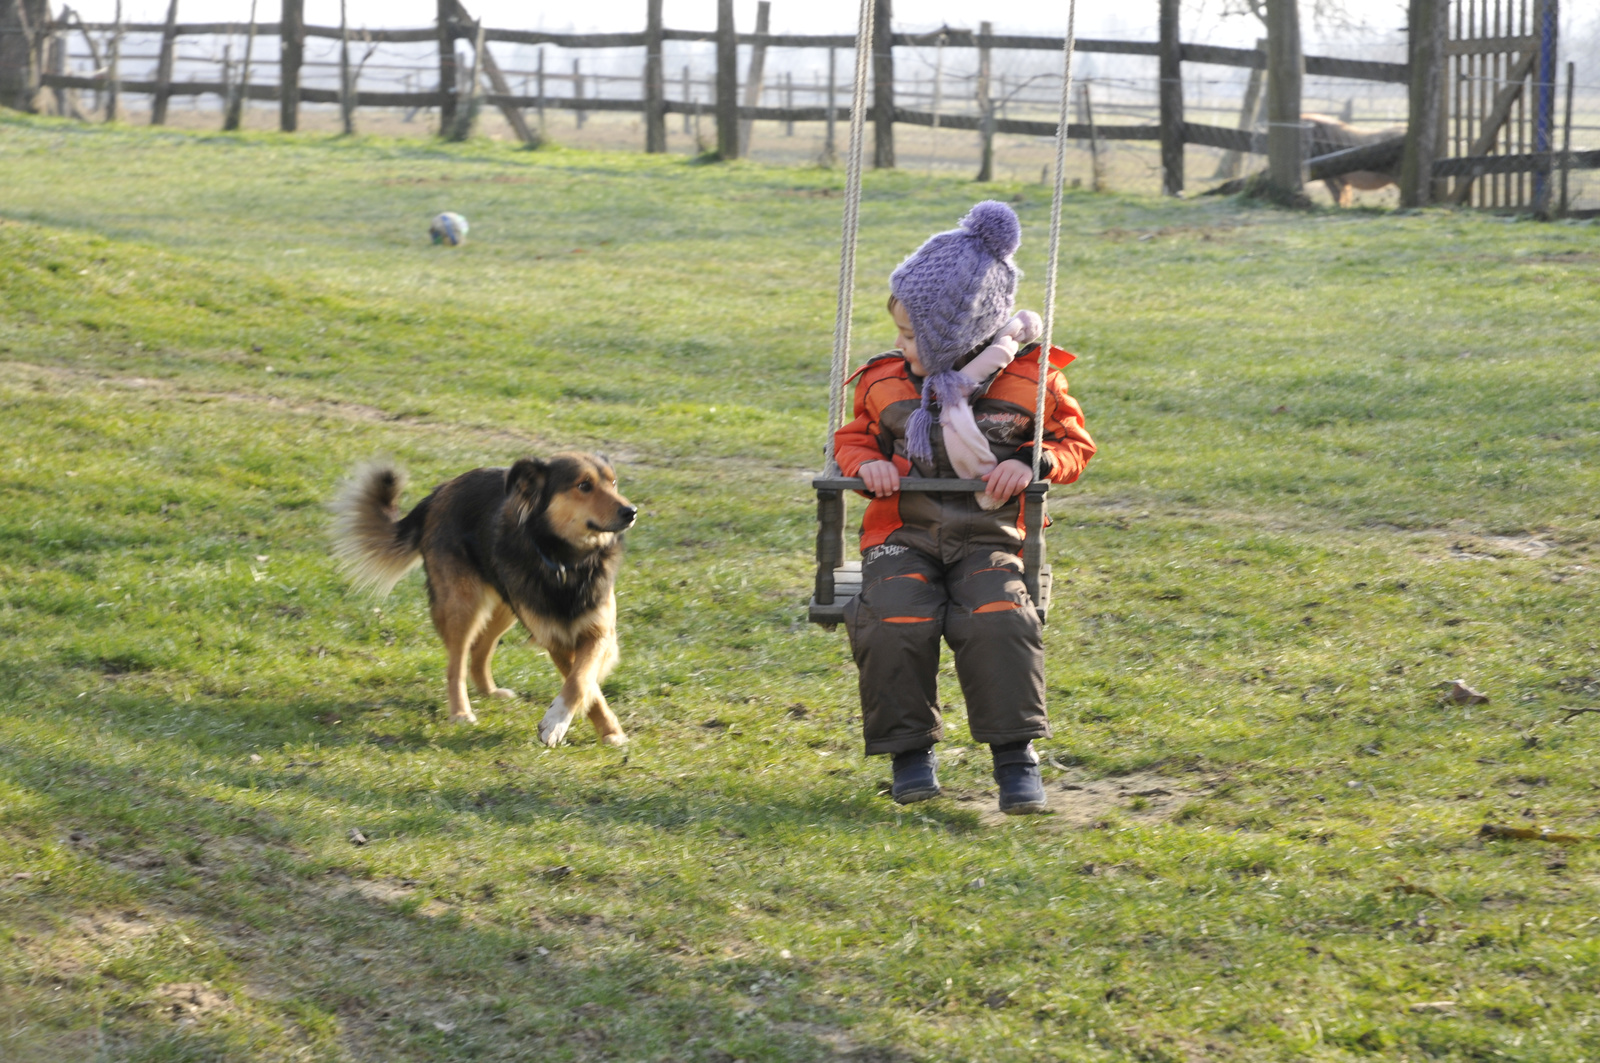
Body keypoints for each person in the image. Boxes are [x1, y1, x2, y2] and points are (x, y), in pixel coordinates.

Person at [832, 201, 1095, 814]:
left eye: (910, 334)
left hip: (993, 535)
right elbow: (852, 439)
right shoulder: (884, 381)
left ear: (957, 331)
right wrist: (863, 465)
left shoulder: (1031, 381)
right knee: (893, 616)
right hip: (903, 533)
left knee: (999, 617)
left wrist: (1033, 465)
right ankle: (910, 754)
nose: (900, 345)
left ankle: (1014, 759)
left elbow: (1073, 446)